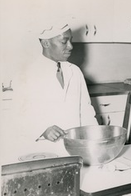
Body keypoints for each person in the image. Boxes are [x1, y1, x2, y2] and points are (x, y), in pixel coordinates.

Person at [12, 19, 98, 157]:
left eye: (71, 40)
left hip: (75, 149)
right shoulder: (26, 75)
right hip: (41, 151)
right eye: (64, 41)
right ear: (46, 43)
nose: (70, 46)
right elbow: (17, 116)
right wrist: (43, 130)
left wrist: (96, 141)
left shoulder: (75, 71)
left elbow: (86, 111)